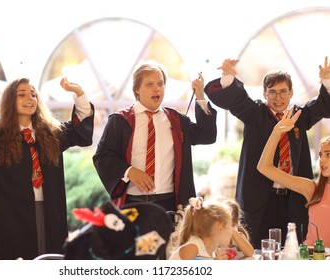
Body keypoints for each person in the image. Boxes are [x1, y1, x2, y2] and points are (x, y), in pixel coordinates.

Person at [0, 74, 94, 259]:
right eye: (21, 94)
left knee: (48, 259)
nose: (29, 98)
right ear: (10, 100)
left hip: (48, 211)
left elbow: (80, 129)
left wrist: (79, 93)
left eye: (33, 94)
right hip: (10, 217)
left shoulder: (51, 134)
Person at [204, 57, 330, 249]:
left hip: (293, 198)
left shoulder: (299, 116)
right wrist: (227, 76)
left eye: (283, 92)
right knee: (256, 248)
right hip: (259, 198)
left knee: (293, 248)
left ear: (291, 93)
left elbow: (324, 104)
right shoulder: (254, 113)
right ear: (264, 94)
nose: (278, 97)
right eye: (272, 92)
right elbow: (236, 99)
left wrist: (327, 81)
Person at [93, 62, 217, 213]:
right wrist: (129, 171)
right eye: (149, 84)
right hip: (132, 203)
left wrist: (200, 96)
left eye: (160, 83)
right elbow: (102, 157)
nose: (156, 88)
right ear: (137, 89)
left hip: (170, 205)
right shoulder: (120, 121)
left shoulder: (177, 121)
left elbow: (207, 135)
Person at [257, 109, 330, 247]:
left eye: (328, 154)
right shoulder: (312, 189)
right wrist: (277, 132)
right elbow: (264, 167)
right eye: (321, 155)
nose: (322, 160)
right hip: (310, 258)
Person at [168, 197, 233, 260]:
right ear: (220, 228)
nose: (232, 231)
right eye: (230, 226)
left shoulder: (210, 249)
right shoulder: (193, 248)